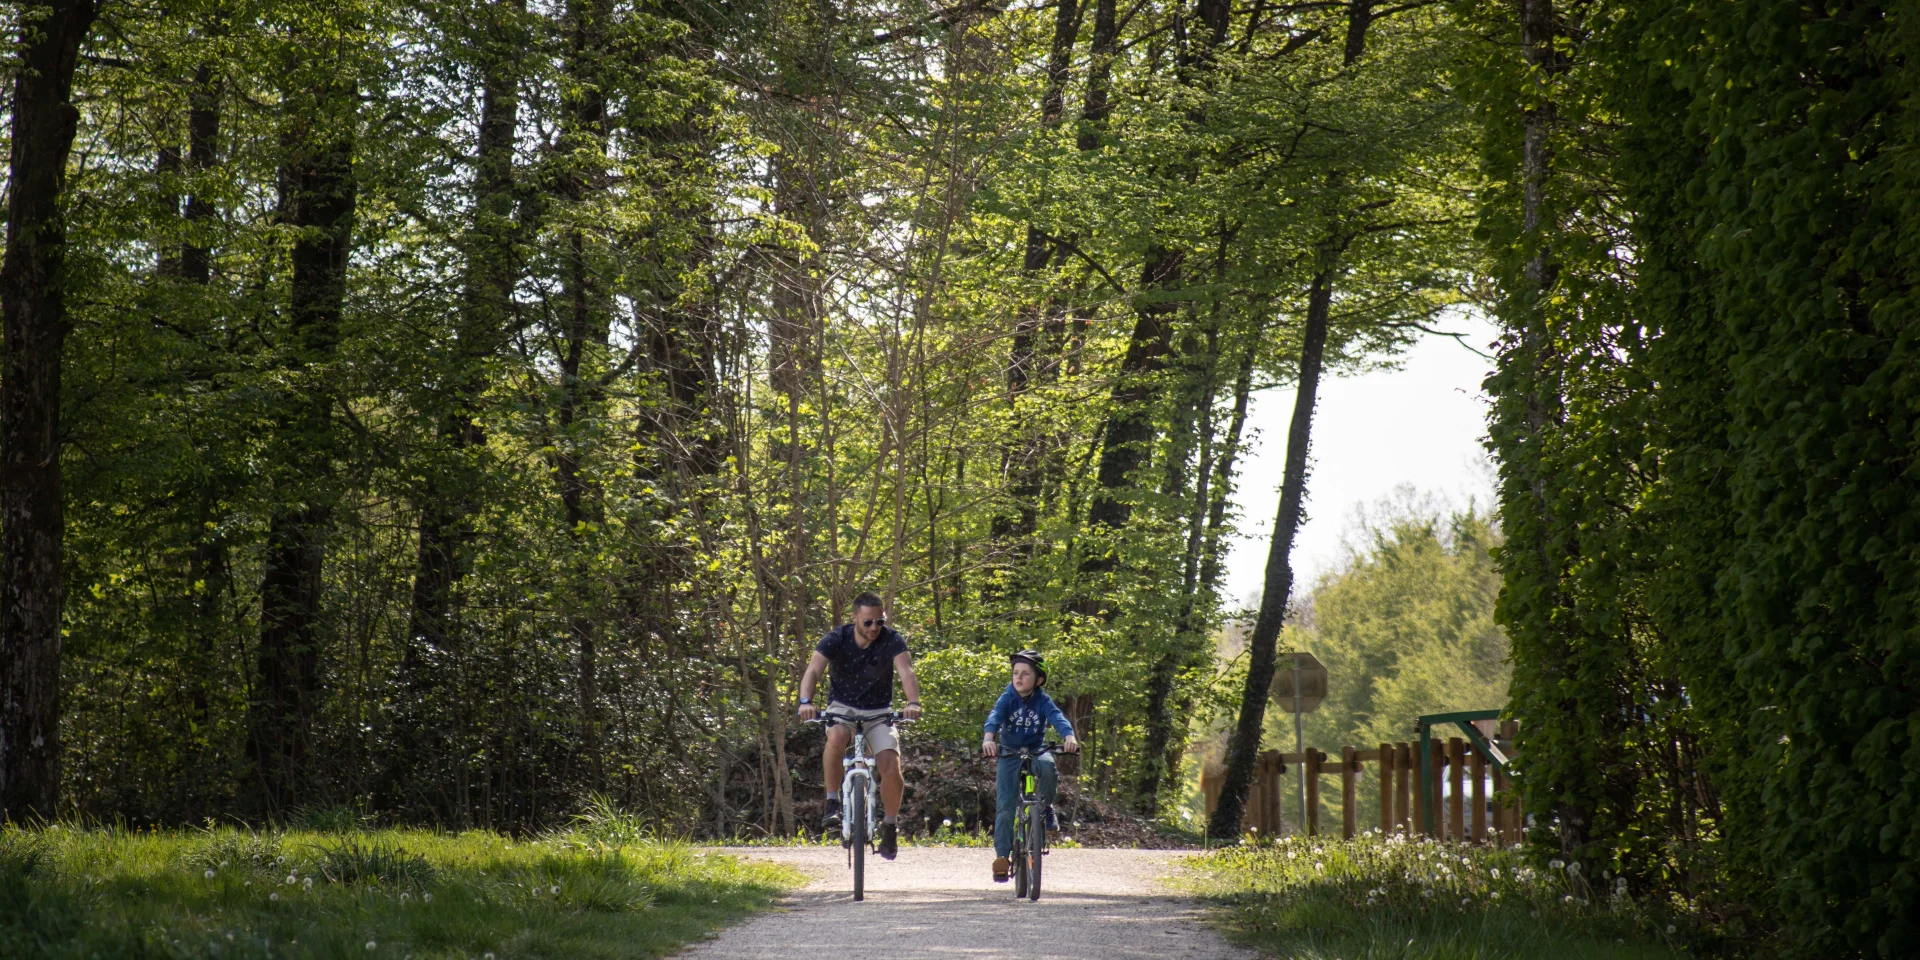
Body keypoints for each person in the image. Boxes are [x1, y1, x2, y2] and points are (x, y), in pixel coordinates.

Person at [797, 592, 922, 860]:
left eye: (880, 621)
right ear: (855, 618)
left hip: (879, 712)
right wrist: (805, 701)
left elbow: (906, 671)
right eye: (868, 623)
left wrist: (913, 703)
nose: (875, 627)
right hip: (842, 708)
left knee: (890, 763)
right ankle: (832, 802)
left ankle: (889, 825)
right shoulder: (836, 638)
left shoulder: (892, 639)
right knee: (837, 736)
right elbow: (814, 670)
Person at [981, 649, 1079, 883]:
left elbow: (1057, 718)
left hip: (1037, 750)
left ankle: (1044, 808)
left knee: (1047, 767)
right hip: (1009, 753)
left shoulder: (1043, 700)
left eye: (1025, 674)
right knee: (1005, 806)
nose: (1019, 678)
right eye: (1016, 673)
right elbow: (994, 717)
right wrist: (988, 739)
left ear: (1039, 680)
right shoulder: (1007, 697)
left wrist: (1069, 737)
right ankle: (1002, 857)